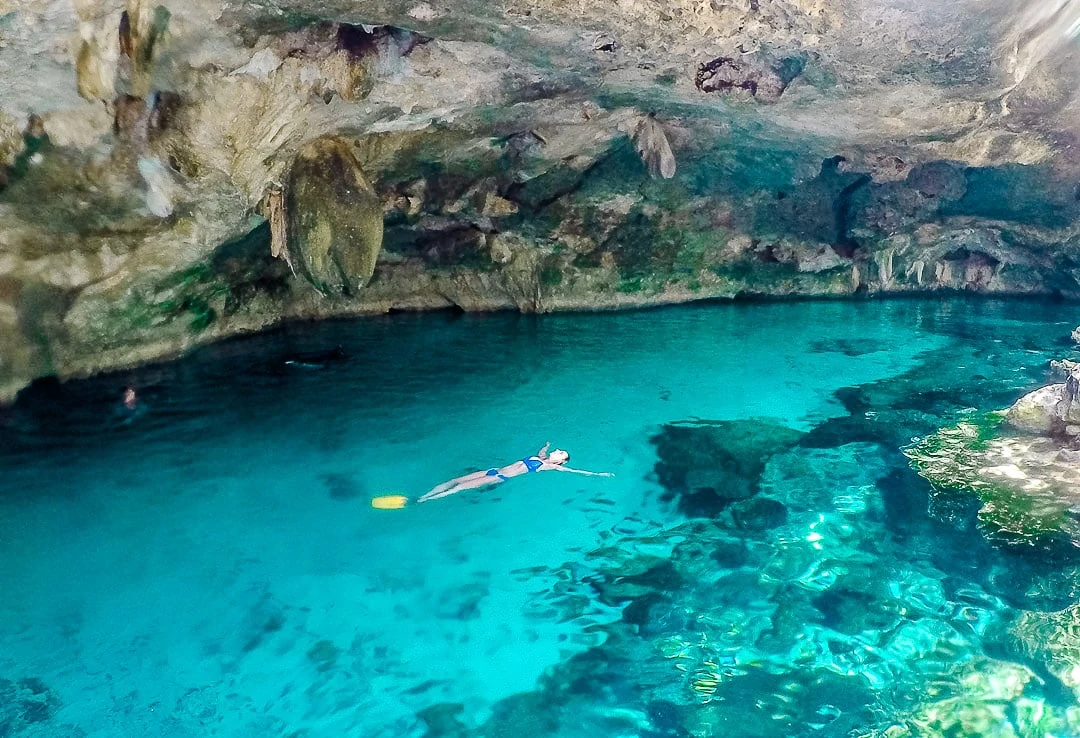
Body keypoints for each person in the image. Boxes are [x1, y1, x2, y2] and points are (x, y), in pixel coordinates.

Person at [417, 443, 612, 503]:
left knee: (459, 487)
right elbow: (541, 453)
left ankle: (424, 501)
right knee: (455, 480)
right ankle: (425, 494)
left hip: (499, 477)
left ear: (560, 460)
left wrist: (598, 475)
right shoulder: (542, 458)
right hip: (492, 470)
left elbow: (575, 471)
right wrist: (546, 446)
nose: (557, 451)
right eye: (559, 449)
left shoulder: (550, 466)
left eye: (560, 453)